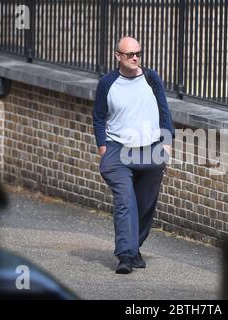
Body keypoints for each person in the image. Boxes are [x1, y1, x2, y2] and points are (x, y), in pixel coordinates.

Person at [92, 36, 174, 274]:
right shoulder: (107, 83)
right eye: (130, 54)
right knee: (125, 202)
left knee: (145, 205)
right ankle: (126, 256)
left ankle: (134, 248)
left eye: (138, 53)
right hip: (118, 150)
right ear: (118, 56)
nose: (136, 57)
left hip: (150, 150)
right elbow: (98, 117)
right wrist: (103, 147)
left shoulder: (151, 78)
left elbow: (164, 111)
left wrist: (166, 146)